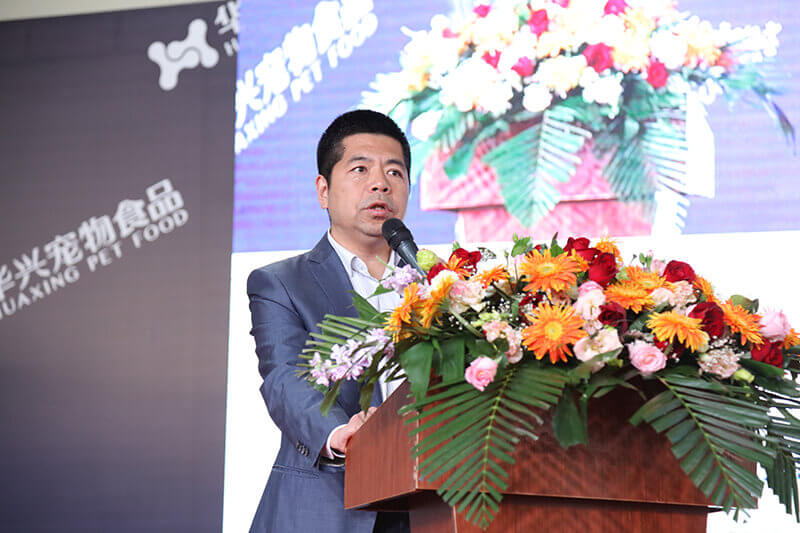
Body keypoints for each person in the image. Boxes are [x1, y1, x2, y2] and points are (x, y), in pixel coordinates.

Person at [246, 109, 412, 533]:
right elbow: (285, 379)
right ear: (323, 191)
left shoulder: (442, 284)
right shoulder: (281, 283)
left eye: (395, 172)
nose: (381, 184)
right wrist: (339, 433)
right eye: (361, 169)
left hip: (429, 507)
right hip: (327, 507)